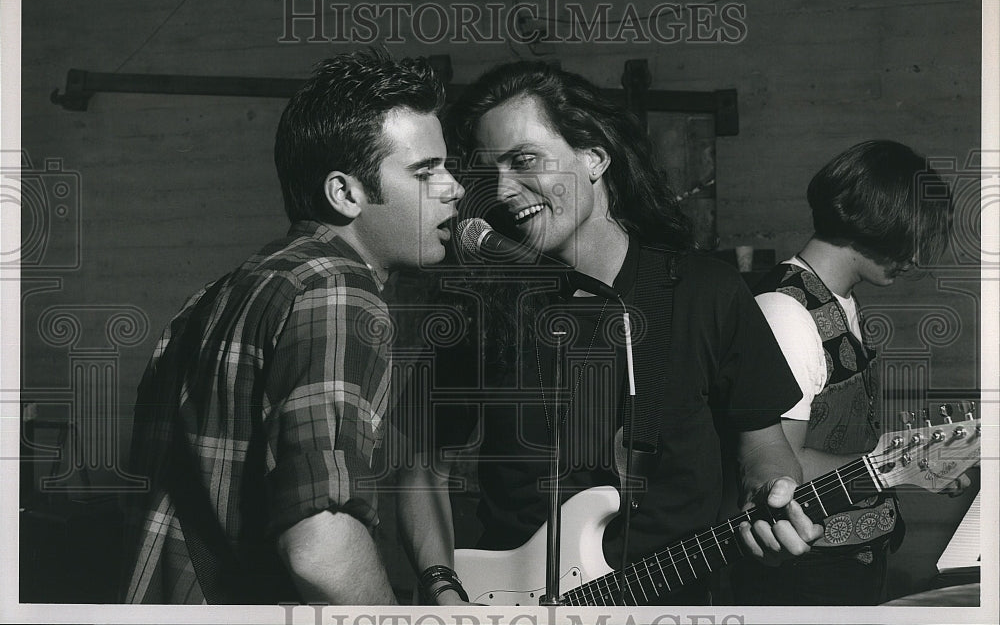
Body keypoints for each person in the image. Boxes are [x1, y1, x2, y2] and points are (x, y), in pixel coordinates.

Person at [394, 60, 823, 606]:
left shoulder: (706, 292)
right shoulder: (478, 303)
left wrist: (771, 497)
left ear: (594, 156)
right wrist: (441, 585)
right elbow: (419, 463)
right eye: (488, 171)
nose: (503, 190)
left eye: (523, 160)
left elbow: (763, 446)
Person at [122, 49, 464, 604]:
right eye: (426, 171)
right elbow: (321, 548)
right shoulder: (338, 293)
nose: (454, 187)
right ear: (346, 193)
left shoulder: (222, 292)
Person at [731, 139, 954, 605]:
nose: (915, 257)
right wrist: (901, 467)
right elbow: (781, 468)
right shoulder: (786, 313)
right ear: (871, 219)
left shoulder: (837, 299)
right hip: (803, 572)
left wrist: (916, 455)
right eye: (908, 237)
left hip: (847, 561)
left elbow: (837, 436)